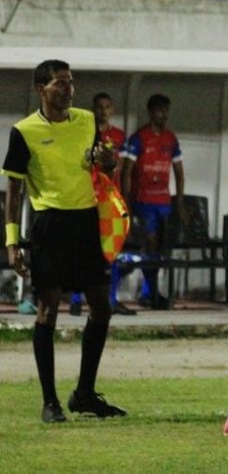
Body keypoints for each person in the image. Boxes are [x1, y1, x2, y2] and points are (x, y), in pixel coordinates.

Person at [4, 59, 127, 422]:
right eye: (60, 83)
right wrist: (12, 242)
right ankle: (50, 402)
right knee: (48, 310)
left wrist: (107, 161)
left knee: (101, 307)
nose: (69, 88)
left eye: (71, 82)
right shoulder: (23, 131)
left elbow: (101, 164)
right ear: (41, 89)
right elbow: (13, 189)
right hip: (50, 224)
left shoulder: (87, 121)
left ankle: (84, 393)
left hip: (87, 221)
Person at [122, 94, 185, 311]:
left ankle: (152, 292)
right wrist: (127, 204)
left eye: (166, 110)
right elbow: (126, 172)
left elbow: (179, 171)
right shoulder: (139, 138)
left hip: (164, 202)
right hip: (144, 201)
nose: (164, 115)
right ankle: (148, 292)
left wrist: (180, 203)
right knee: (148, 246)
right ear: (151, 112)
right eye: (160, 110)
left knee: (160, 250)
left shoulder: (171, 139)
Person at [74, 93, 131, 316]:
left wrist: (124, 198)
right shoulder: (84, 133)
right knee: (83, 249)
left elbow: (124, 169)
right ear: (93, 109)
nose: (103, 111)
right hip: (89, 197)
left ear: (112, 110)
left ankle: (112, 298)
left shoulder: (119, 136)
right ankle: (77, 299)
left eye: (107, 107)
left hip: (111, 200)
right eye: (99, 107)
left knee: (111, 247)